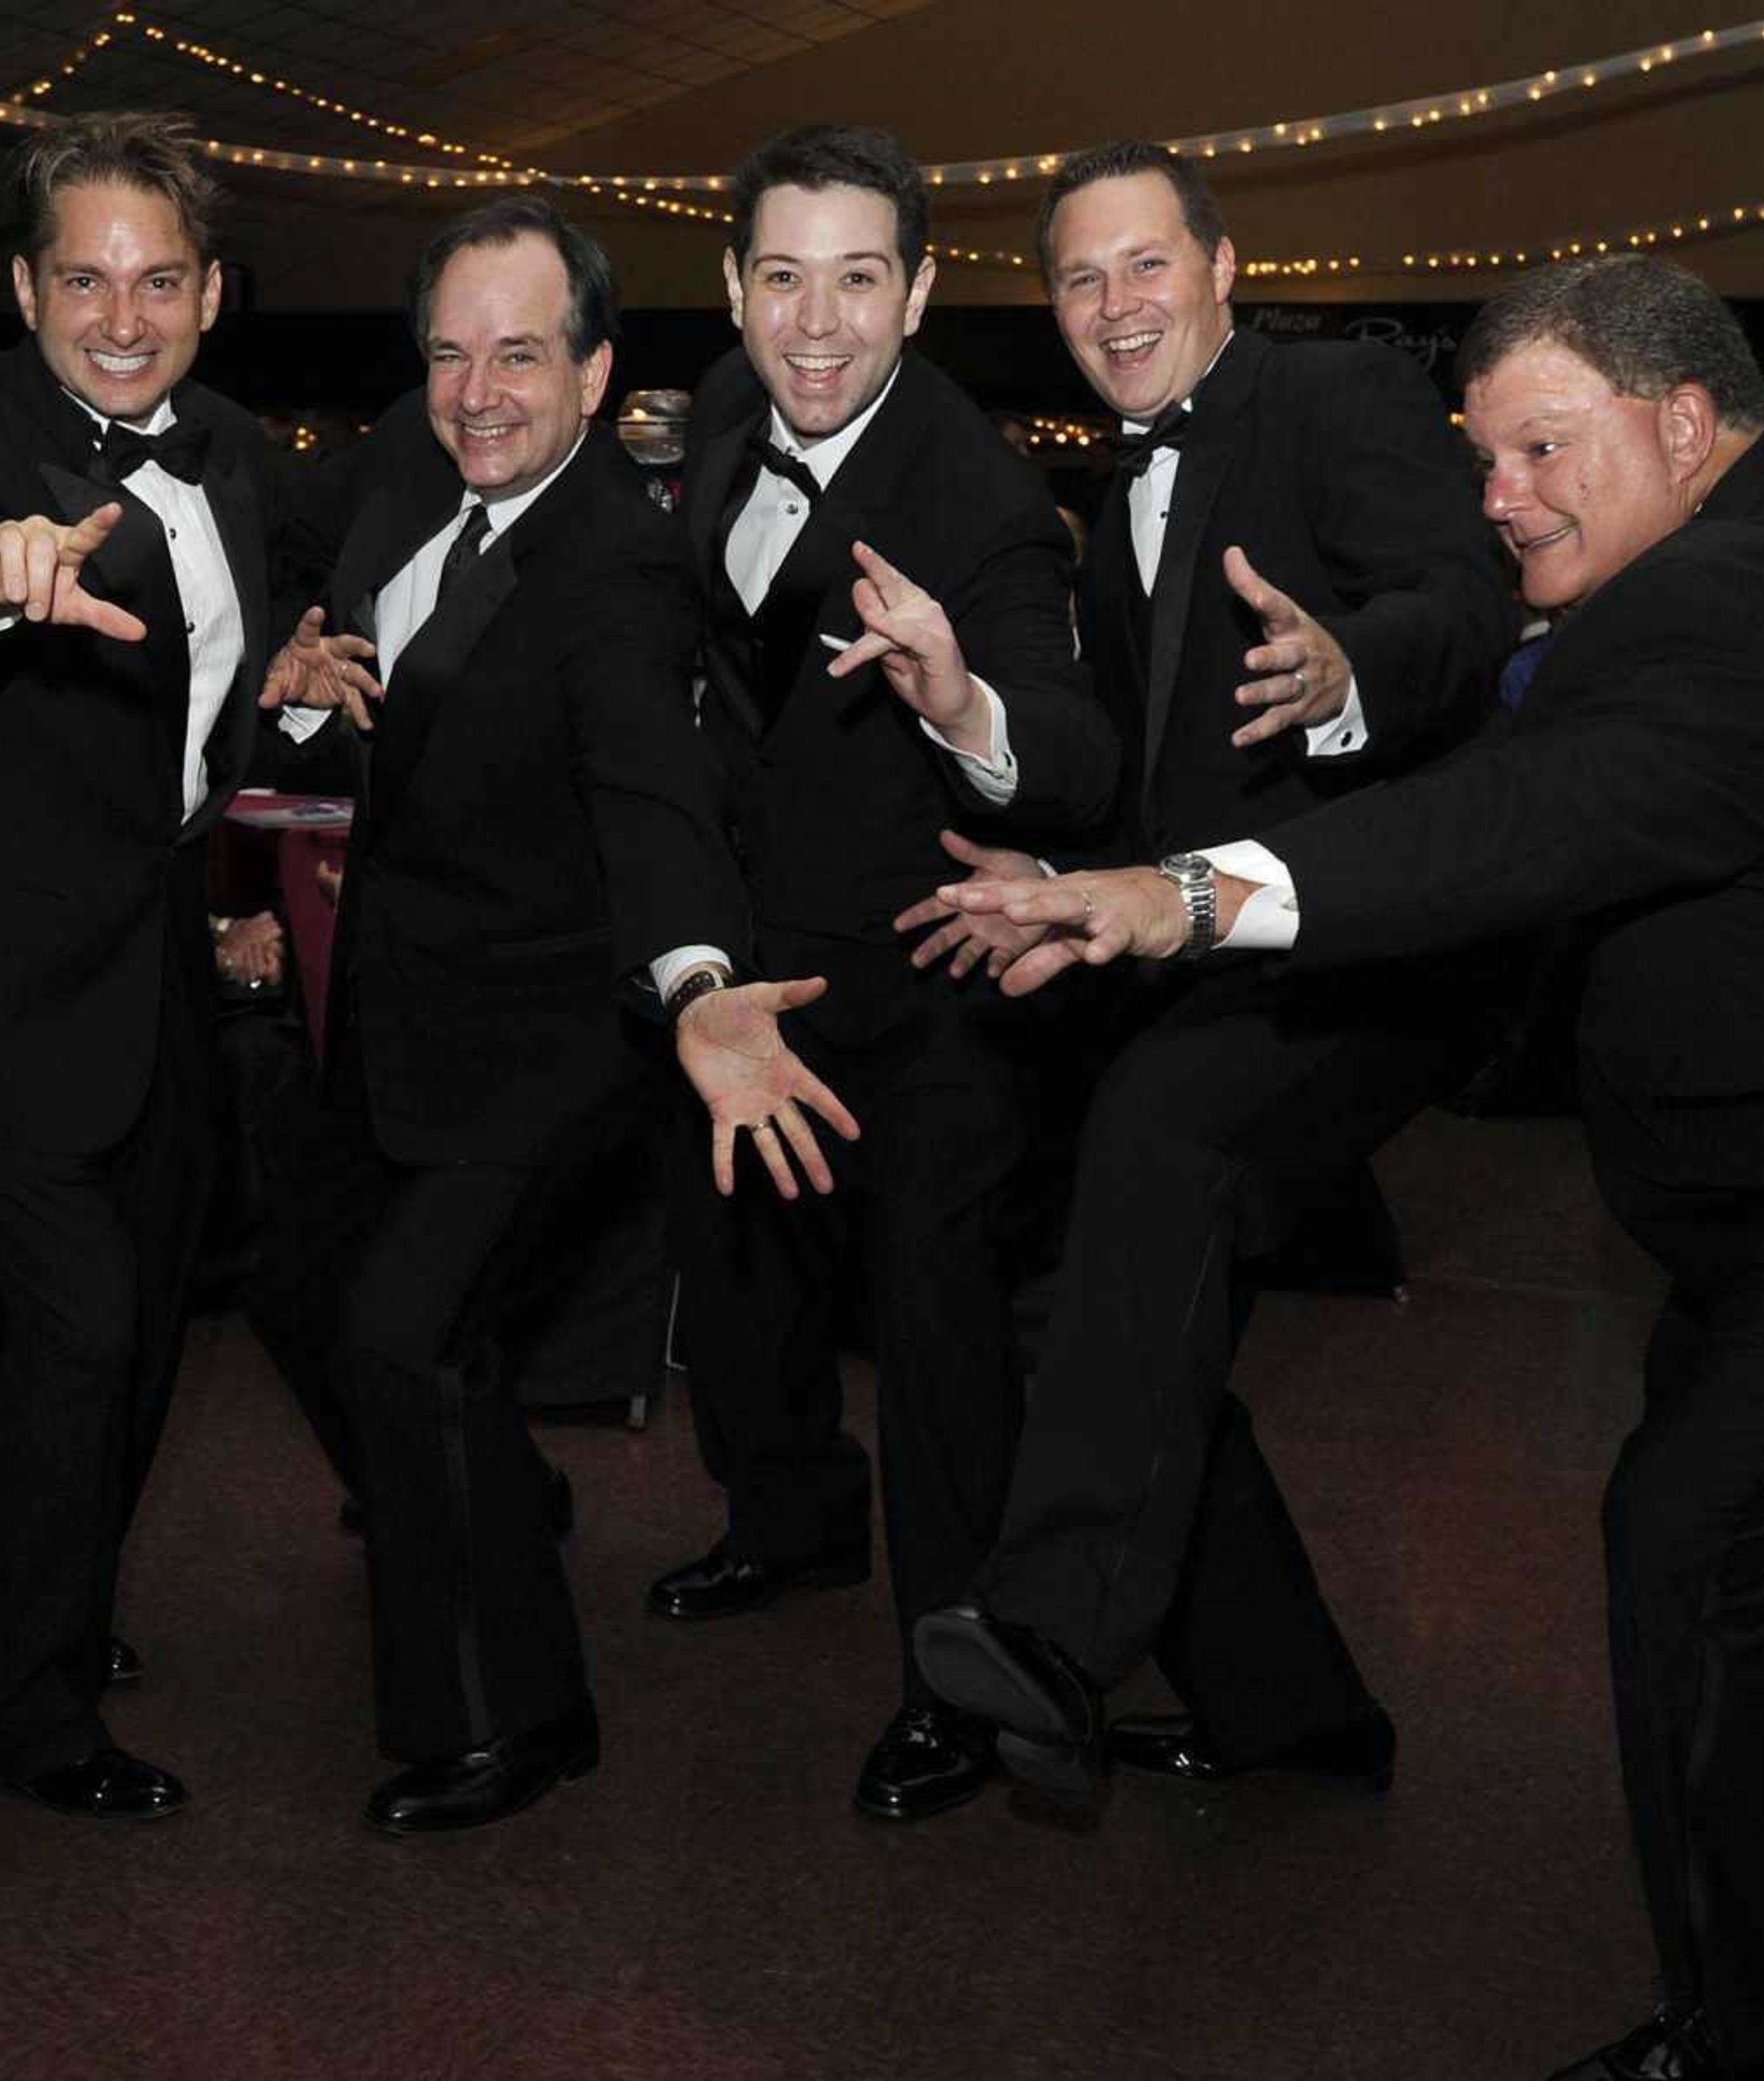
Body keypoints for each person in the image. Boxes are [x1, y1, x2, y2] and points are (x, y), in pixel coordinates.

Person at [917, 252, 1764, 2081]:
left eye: (1540, 449)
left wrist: (1180, 895)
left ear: (1685, 423)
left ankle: (1749, 2043)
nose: (1499, 497)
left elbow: (1503, 822)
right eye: (1489, 457)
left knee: (1693, 1556)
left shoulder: (1733, 615)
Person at [897, 140, 1515, 1803]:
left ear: (1221, 265)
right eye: (1079, 278)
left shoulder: (1332, 398)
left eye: (1144, 264)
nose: (1114, 305)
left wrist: (1340, 675)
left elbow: (1459, 603)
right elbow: (1131, 776)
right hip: (1205, 950)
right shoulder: (1115, 502)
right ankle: (1290, 1714)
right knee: (1080, 1273)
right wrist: (1029, 829)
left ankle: (1048, 1637)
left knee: (1161, 1135)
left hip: (1367, 949)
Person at [251, 195, 856, 1835]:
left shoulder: (618, 569)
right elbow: (274, 544)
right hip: (390, 1015)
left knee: (408, 1331)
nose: (479, 391)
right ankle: (493, 1495)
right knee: (307, 1294)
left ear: (594, 377)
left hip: (547, 1041)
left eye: (520, 354)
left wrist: (696, 985)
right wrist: (286, 663)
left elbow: (647, 794)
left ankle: (511, 1719)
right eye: (450, 353)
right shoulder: (398, 472)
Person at [648, 124, 1119, 1823]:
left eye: (859, 278)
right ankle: (782, 1523)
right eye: (783, 277)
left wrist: (961, 712)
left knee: (931, 1329)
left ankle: (958, 1672)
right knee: (742, 1258)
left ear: (916, 291)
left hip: (927, 975)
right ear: (734, 288)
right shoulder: (711, 415)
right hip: (762, 958)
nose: (817, 321)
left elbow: (1064, 748)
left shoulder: (981, 496)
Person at [0, 110, 287, 1820]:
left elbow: (206, 679)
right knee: (70, 1342)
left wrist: (292, 672)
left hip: (166, 963)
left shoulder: (238, 450)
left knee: (138, 1338)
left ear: (208, 291)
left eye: (161, 279)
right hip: (3, 984)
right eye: (87, 277)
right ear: (30, 284)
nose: (125, 315)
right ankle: (15, 1711)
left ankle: (50, 1609)